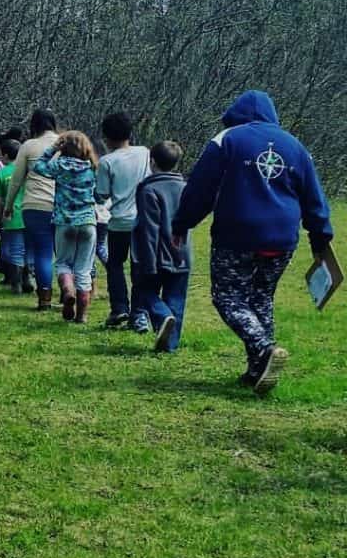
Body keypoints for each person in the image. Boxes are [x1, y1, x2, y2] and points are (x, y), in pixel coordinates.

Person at [173, 90, 333, 396]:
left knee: (228, 297)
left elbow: (200, 188)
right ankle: (258, 370)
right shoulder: (295, 146)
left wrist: (183, 222)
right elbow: (314, 198)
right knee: (261, 297)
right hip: (282, 237)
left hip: (238, 234)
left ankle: (264, 348)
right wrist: (320, 237)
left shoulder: (227, 140)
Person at [31, 130, 98, 323]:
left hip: (64, 222)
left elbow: (38, 167)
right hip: (87, 222)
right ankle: (82, 315)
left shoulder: (59, 165)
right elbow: (100, 193)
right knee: (84, 269)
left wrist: (52, 149)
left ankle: (68, 290)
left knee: (63, 263)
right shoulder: (92, 167)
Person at [132, 141, 191, 353]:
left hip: (156, 254)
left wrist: (146, 263)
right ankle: (169, 346)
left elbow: (149, 229)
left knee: (144, 291)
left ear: (152, 162)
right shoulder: (186, 188)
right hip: (182, 254)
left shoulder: (149, 190)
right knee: (176, 298)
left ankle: (162, 314)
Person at [97, 112, 151, 332]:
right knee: (140, 268)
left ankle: (119, 307)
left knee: (115, 264)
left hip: (118, 221)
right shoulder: (144, 152)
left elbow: (102, 193)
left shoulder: (107, 161)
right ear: (131, 133)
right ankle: (139, 315)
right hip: (143, 219)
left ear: (106, 138)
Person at [4, 109, 59, 310]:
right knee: (62, 254)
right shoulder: (64, 143)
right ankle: (68, 290)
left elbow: (16, 179)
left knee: (43, 252)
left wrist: (8, 206)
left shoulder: (29, 146)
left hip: (35, 205)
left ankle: (45, 297)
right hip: (61, 204)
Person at [0, 137, 27, 293]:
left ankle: (16, 282)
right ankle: (28, 277)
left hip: (11, 215)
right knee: (28, 248)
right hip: (30, 214)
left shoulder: (0, 174)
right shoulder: (28, 172)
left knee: (14, 249)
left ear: (5, 155)